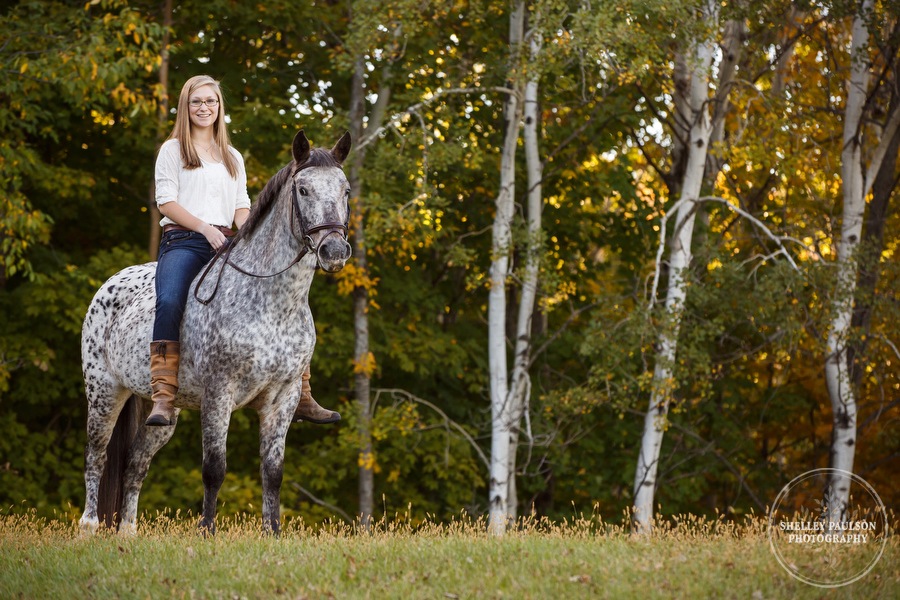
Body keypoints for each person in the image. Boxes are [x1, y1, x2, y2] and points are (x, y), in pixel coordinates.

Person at [146, 74, 340, 427]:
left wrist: (251, 231)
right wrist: (204, 228)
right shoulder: (173, 150)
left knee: (286, 295)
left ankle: (303, 392)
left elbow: (239, 206)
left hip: (228, 241)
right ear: (185, 107)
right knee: (170, 299)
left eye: (211, 101)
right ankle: (163, 394)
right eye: (197, 101)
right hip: (185, 241)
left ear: (219, 108)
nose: (204, 107)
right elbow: (166, 203)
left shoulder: (231, 155)